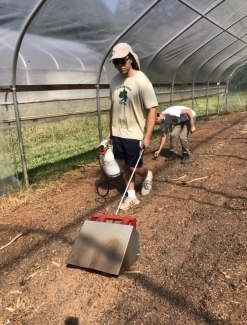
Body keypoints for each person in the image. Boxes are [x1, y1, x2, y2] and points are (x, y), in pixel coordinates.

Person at [107, 43, 158, 211]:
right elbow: (113, 106)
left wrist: (148, 136)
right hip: (118, 131)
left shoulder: (141, 80)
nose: (120, 65)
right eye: (116, 63)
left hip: (135, 132)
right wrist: (110, 129)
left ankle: (147, 174)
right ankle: (131, 197)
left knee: (133, 166)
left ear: (130, 59)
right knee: (123, 164)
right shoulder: (114, 81)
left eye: (122, 61)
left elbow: (152, 109)